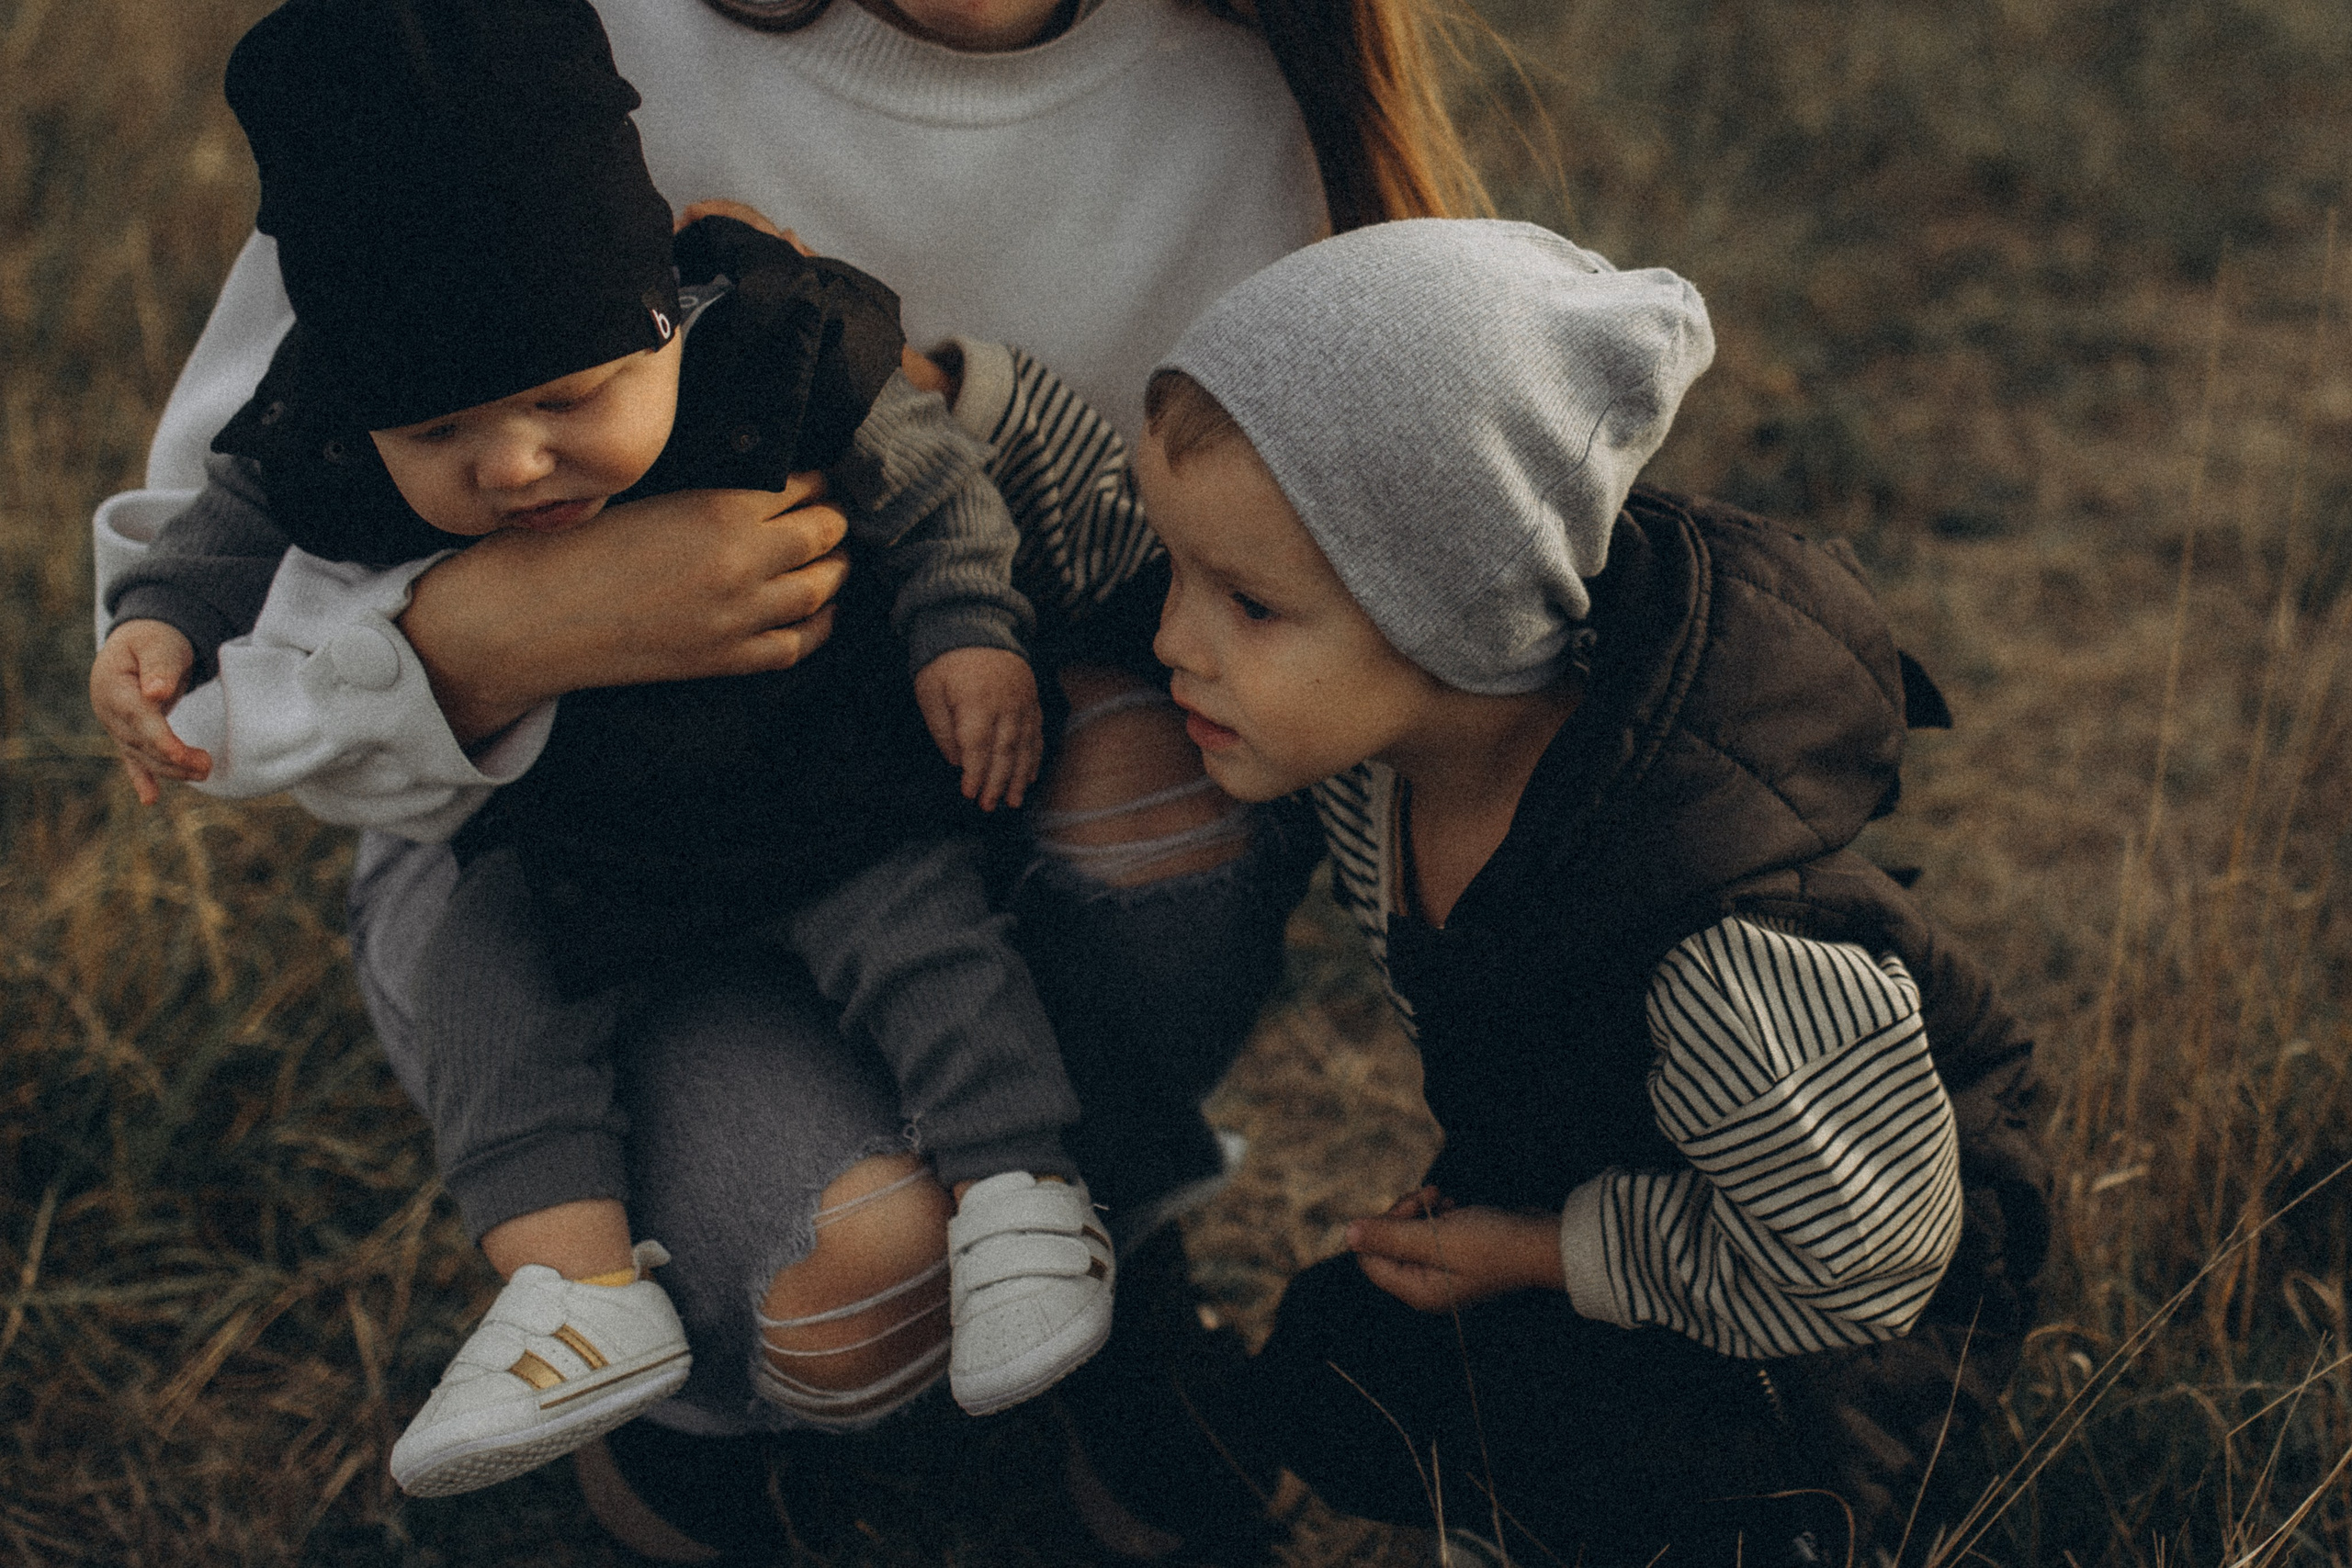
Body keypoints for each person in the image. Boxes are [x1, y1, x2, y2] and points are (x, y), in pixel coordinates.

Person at [87, 0, 1488, 1558]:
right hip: (543, 830)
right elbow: (208, 555)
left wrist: (970, 534)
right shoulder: (505, 47)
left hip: (917, 783)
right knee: (847, 1281)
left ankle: (1086, 1218)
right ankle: (678, 1383)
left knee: (1161, 798)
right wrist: (491, 636)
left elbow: (1273, 570)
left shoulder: (1220, 111)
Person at [1125, 219, 2051, 1563]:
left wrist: (1541, 1254)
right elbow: (1117, 529)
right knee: (1345, 1365)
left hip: (1841, 1292)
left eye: (1247, 605)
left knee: (1700, 1504)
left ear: (1453, 616)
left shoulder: (1715, 943)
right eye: (1178, 569)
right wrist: (959, 398)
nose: (1169, 638)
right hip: (1623, 1173)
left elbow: (1864, 1259)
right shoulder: (1390, 749)